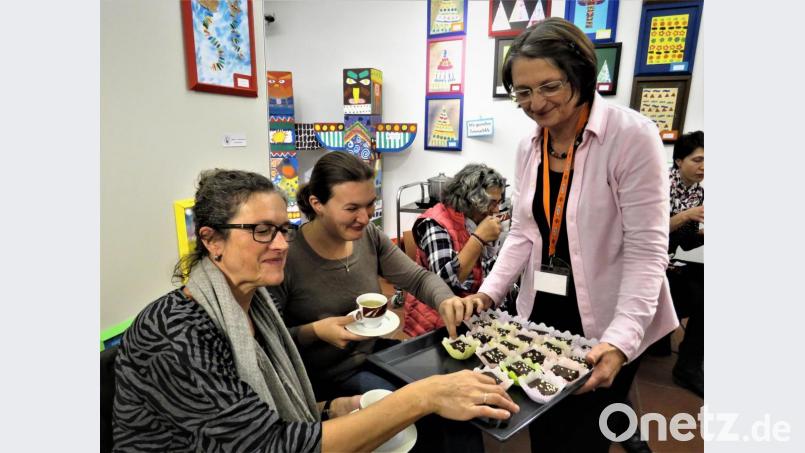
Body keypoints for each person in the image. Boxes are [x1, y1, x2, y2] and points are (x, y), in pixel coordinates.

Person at [112, 169, 518, 452]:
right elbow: (270, 444)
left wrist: (330, 409)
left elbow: (260, 416)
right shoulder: (175, 332)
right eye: (260, 231)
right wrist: (424, 396)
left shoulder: (251, 308)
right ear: (212, 240)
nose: (279, 244)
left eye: (281, 229)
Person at [460, 18, 679, 452]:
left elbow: (647, 251)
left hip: (612, 315)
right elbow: (523, 233)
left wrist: (620, 341)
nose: (535, 103)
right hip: (546, 309)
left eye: (549, 86)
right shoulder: (530, 146)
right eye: (522, 92)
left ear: (581, 75)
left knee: (583, 436)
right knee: (544, 423)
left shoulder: (631, 137)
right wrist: (486, 294)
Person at [268, 152, 481, 400]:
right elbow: (270, 340)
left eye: (370, 204)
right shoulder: (285, 256)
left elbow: (419, 279)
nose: (365, 217)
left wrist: (445, 300)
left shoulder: (369, 236)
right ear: (317, 204)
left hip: (375, 355)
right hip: (324, 376)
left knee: (452, 384)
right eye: (352, 208)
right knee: (423, 403)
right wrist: (315, 331)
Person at [404, 163, 509, 336]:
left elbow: (488, 270)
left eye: (499, 203)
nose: (496, 210)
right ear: (472, 200)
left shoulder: (475, 221)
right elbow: (444, 282)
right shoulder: (434, 223)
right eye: (492, 203)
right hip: (437, 319)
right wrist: (479, 239)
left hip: (471, 313)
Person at [667, 130, 704, 397]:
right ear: (679, 160)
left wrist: (702, 232)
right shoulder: (659, 184)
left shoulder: (698, 192)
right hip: (650, 260)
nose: (703, 167)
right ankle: (688, 369)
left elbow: (685, 243)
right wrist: (687, 215)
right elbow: (650, 230)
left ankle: (689, 365)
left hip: (674, 259)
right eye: (698, 160)